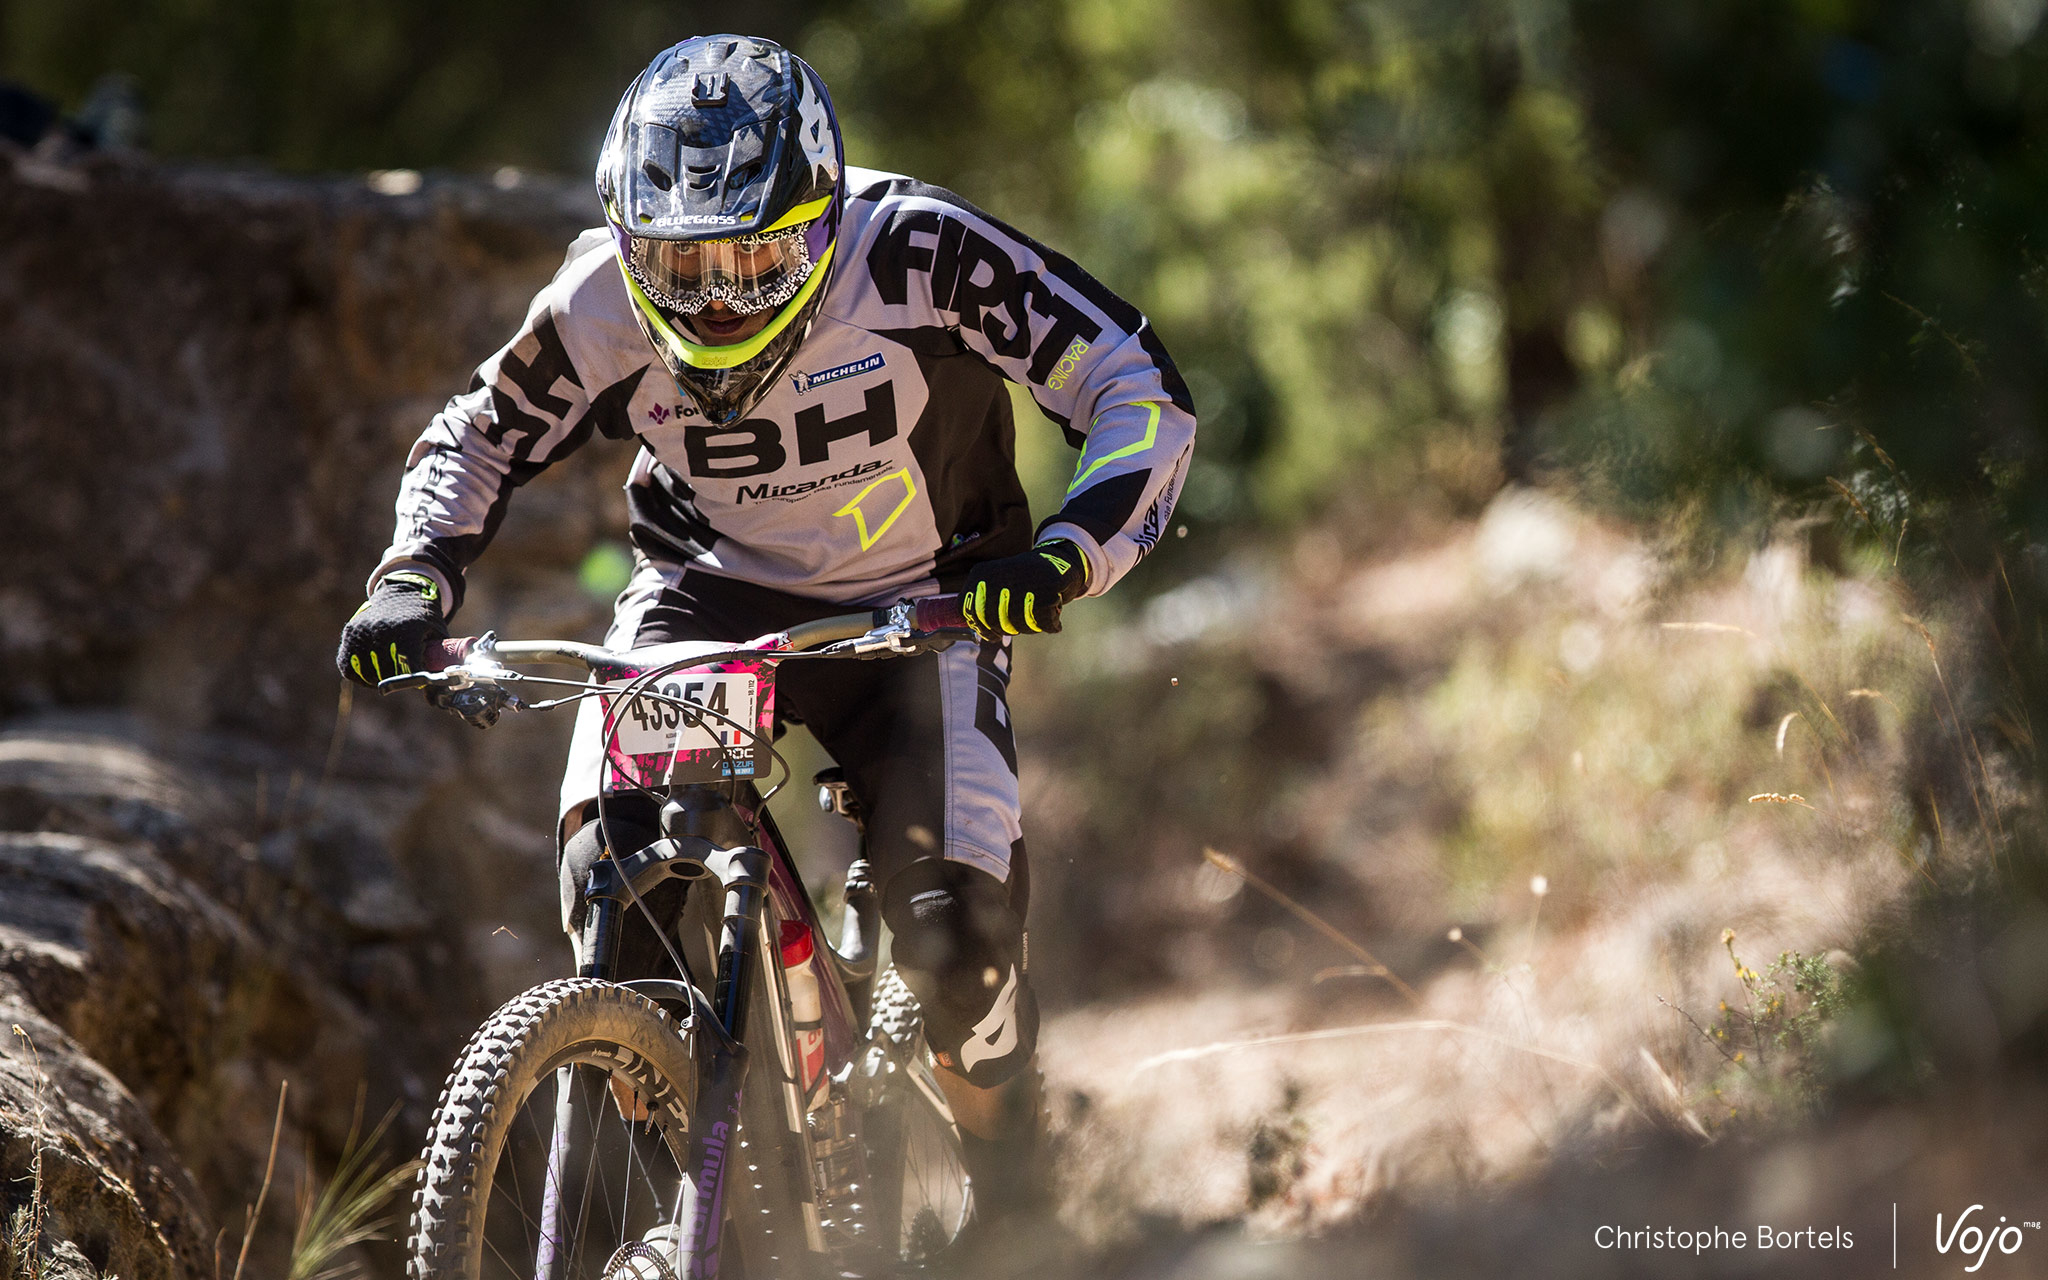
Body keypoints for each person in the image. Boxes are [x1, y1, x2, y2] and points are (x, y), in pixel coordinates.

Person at [335, 33, 1195, 1227]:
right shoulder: (594, 295)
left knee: (957, 945)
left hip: (923, 606)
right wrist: (412, 577)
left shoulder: (919, 250)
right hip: (707, 598)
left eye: (757, 256)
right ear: (629, 247)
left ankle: (1010, 1199)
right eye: (679, 269)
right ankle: (712, 1165)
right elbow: (477, 431)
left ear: (825, 215)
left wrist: (1066, 551)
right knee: (612, 878)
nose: (719, 295)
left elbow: (1133, 382)